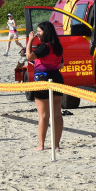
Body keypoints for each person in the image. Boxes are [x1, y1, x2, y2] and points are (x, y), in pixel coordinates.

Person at [25, 22, 64, 150]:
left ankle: (41, 144)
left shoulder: (45, 47)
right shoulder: (58, 46)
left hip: (43, 79)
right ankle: (56, 144)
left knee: (43, 115)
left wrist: (30, 41)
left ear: (45, 32)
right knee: (57, 114)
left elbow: (29, 56)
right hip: (57, 78)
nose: (37, 34)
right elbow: (61, 65)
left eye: (39, 31)